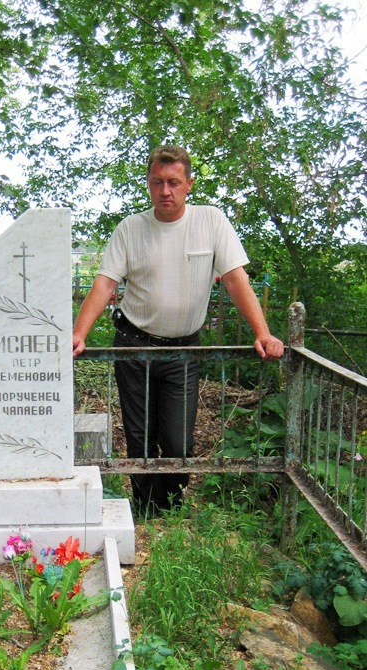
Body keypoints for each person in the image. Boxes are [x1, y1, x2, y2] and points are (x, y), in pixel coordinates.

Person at [72, 145, 284, 516]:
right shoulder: (130, 229)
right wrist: (78, 334)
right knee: (140, 437)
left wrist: (262, 332)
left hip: (184, 351)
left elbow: (235, 280)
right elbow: (105, 284)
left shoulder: (211, 222)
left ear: (188, 184)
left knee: (178, 440)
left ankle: (170, 504)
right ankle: (143, 508)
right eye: (157, 182)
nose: (165, 191)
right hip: (133, 346)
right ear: (148, 185)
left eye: (173, 182)